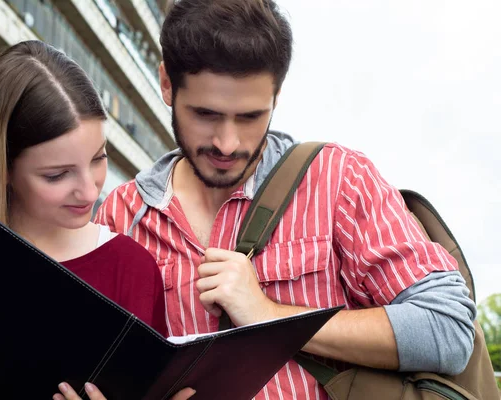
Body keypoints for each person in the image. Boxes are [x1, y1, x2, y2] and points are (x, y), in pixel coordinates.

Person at [95, 1, 478, 398]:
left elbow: (446, 328)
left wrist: (268, 316)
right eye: (206, 114)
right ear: (166, 84)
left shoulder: (338, 178)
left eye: (249, 117)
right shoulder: (120, 217)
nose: (227, 144)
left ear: (276, 96)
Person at [0, 40, 177, 400]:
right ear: (0, 168)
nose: (90, 192)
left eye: (98, 158)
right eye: (57, 175)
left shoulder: (134, 268)